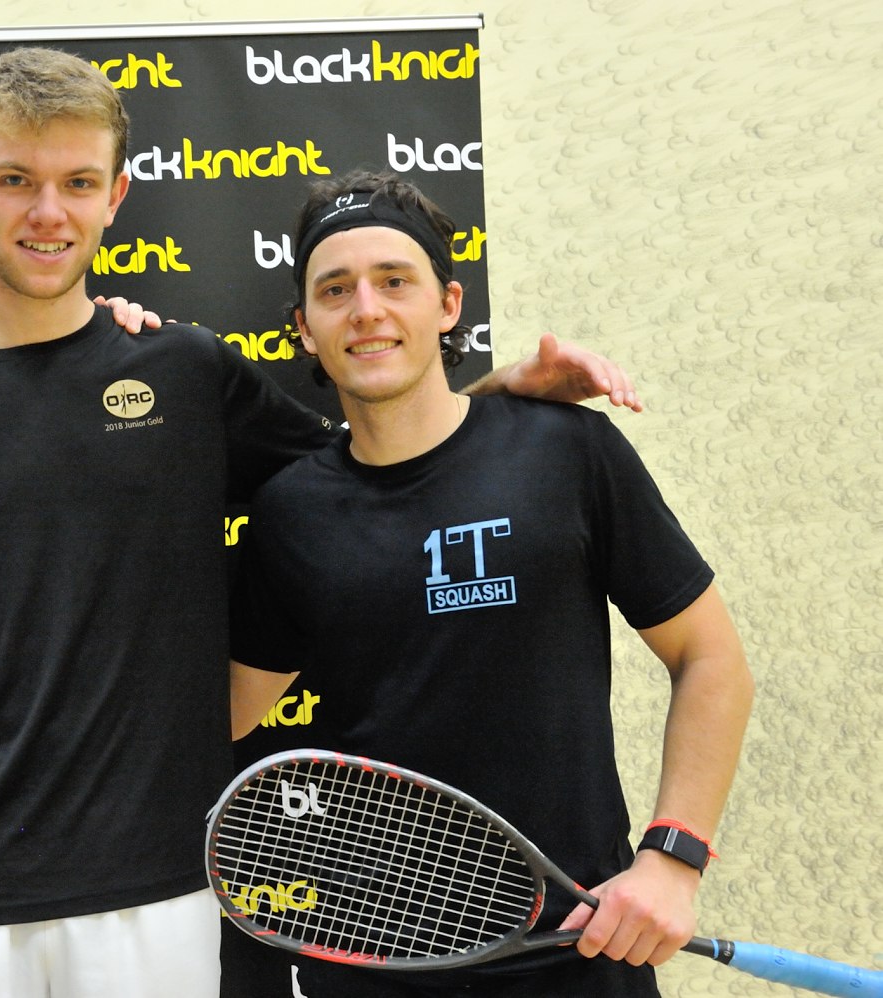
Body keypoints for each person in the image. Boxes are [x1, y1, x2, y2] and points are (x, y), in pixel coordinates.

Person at [0, 47, 639, 998]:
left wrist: (498, 395)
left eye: (79, 182)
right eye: (16, 181)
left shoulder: (186, 371)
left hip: (160, 880)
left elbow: (375, 457)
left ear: (118, 195)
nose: (50, 213)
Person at [226, 171, 753, 998]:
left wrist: (673, 859)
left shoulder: (567, 452)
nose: (366, 308)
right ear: (304, 328)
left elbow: (710, 659)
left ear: (447, 305)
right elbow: (218, 715)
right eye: (335, 290)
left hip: (580, 953)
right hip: (376, 965)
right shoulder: (292, 511)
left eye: (394, 281)